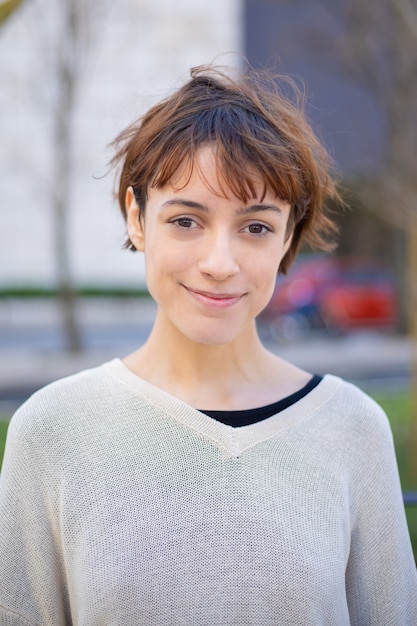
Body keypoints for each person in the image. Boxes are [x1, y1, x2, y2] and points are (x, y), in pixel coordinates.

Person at [0, 64, 416, 626]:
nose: (219, 264)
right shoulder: (50, 431)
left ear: (288, 237)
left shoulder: (353, 429)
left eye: (256, 227)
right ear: (137, 218)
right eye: (187, 221)